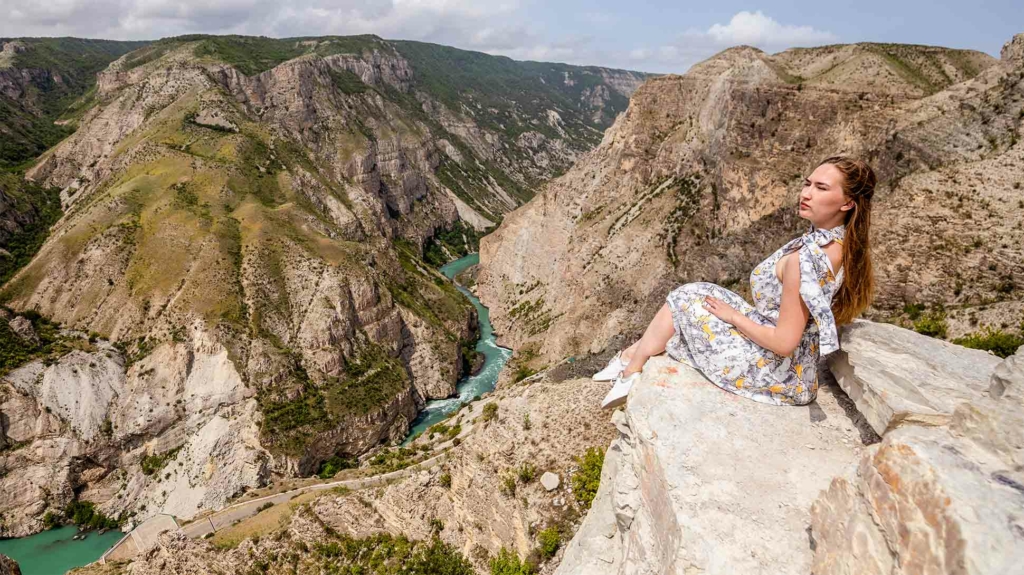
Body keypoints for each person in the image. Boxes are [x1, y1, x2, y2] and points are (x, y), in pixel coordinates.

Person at [596, 156, 876, 409]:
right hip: (792, 360)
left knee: (683, 301)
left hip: (778, 372)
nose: (806, 193)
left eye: (821, 188)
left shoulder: (807, 261)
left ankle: (630, 371)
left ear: (847, 203)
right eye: (807, 183)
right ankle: (629, 357)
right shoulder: (839, 244)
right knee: (699, 292)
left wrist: (733, 317)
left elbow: (784, 343)